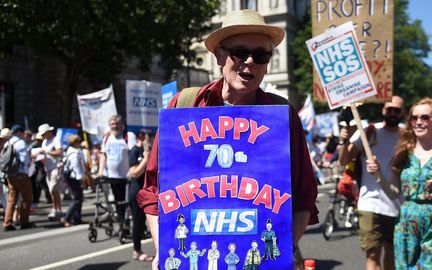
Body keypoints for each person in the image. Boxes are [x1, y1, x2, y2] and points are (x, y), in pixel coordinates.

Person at [137, 9, 319, 269]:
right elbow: (153, 192)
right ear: (219, 56)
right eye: (239, 52)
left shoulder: (282, 116)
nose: (250, 62)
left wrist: (284, 249)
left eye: (261, 55)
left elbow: (303, 198)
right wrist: (161, 249)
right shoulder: (185, 106)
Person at [366, 97, 432, 269]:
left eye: (425, 117)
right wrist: (378, 174)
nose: (418, 122)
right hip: (407, 221)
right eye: (414, 118)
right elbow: (393, 192)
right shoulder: (403, 153)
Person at [338, 96, 405, 270]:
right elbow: (344, 160)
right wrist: (344, 140)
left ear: (402, 113)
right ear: (383, 110)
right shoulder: (368, 131)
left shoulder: (407, 136)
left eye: (396, 110)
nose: (392, 113)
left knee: (392, 253)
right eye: (389, 109)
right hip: (370, 203)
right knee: (372, 254)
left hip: (397, 204)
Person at [98, 115, 129, 231]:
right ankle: (122, 224)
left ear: (121, 124)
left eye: (116, 123)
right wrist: (101, 170)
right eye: (112, 124)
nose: (114, 126)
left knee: (128, 202)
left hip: (126, 177)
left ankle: (134, 224)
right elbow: (103, 155)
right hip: (113, 177)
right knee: (118, 202)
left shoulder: (126, 137)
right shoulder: (107, 138)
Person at [127, 131, 153, 262]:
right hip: (137, 191)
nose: (151, 140)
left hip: (148, 190)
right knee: (138, 222)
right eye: (149, 137)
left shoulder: (151, 151)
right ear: (142, 137)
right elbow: (134, 173)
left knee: (149, 222)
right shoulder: (134, 151)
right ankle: (136, 251)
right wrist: (146, 158)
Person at [2, 124, 34, 231]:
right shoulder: (20, 142)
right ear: (20, 132)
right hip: (20, 174)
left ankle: (7, 222)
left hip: (10, 174)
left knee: (12, 199)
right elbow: (25, 159)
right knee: (27, 196)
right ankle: (24, 221)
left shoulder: (8, 142)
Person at [37, 123, 64, 219]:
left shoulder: (55, 139)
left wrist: (47, 152)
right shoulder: (45, 142)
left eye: (44, 134)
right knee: (52, 190)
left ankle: (56, 209)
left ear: (48, 132)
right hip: (48, 168)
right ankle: (57, 209)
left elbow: (60, 152)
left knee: (53, 189)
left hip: (55, 167)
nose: (43, 136)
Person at [60, 135, 85, 227]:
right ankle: (66, 217)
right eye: (78, 142)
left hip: (70, 177)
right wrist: (81, 180)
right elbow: (76, 167)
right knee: (77, 199)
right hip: (74, 177)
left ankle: (77, 218)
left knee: (79, 198)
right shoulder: (74, 153)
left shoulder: (68, 152)